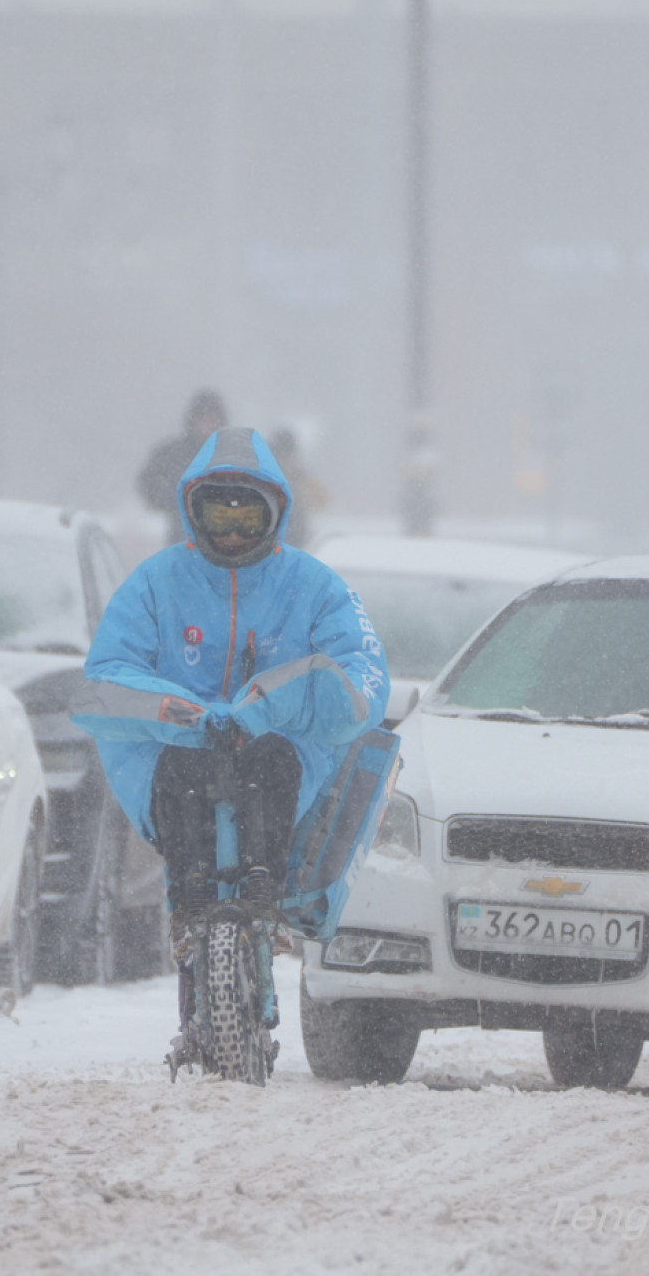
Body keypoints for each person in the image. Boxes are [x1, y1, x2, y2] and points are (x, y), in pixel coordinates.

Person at [73, 427, 389, 929]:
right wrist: (179, 715)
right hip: (172, 747)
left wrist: (274, 705)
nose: (234, 534)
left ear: (277, 514)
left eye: (249, 518)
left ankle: (265, 888)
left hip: (277, 748)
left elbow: (362, 675)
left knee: (273, 760)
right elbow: (105, 679)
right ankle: (188, 897)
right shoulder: (154, 583)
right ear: (194, 513)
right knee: (181, 768)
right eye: (221, 517)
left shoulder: (317, 587)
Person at [137, 390, 227, 546]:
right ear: (192, 421)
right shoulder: (173, 454)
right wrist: (177, 500)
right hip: (183, 540)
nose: (206, 425)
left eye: (211, 419)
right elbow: (148, 484)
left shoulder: (231, 454)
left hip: (230, 541)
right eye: (202, 419)